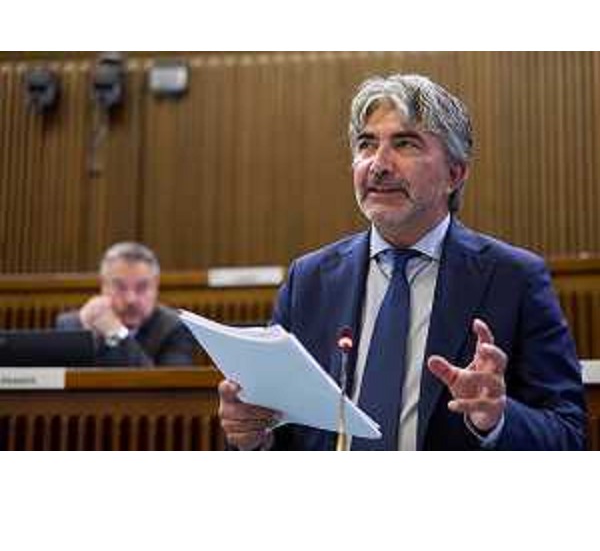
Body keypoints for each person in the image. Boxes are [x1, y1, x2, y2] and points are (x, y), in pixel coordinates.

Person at [218, 73, 586, 451]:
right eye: (366, 144)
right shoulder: (309, 280)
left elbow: (568, 434)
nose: (378, 165)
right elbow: (277, 430)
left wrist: (496, 419)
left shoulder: (514, 279)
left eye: (405, 144)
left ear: (454, 174)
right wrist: (252, 436)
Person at [56, 241, 205, 367]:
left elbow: (169, 387)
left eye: (142, 287)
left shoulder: (175, 328)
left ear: (156, 287)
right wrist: (87, 337)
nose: (131, 299)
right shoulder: (73, 324)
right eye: (120, 287)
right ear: (104, 286)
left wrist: (117, 334)